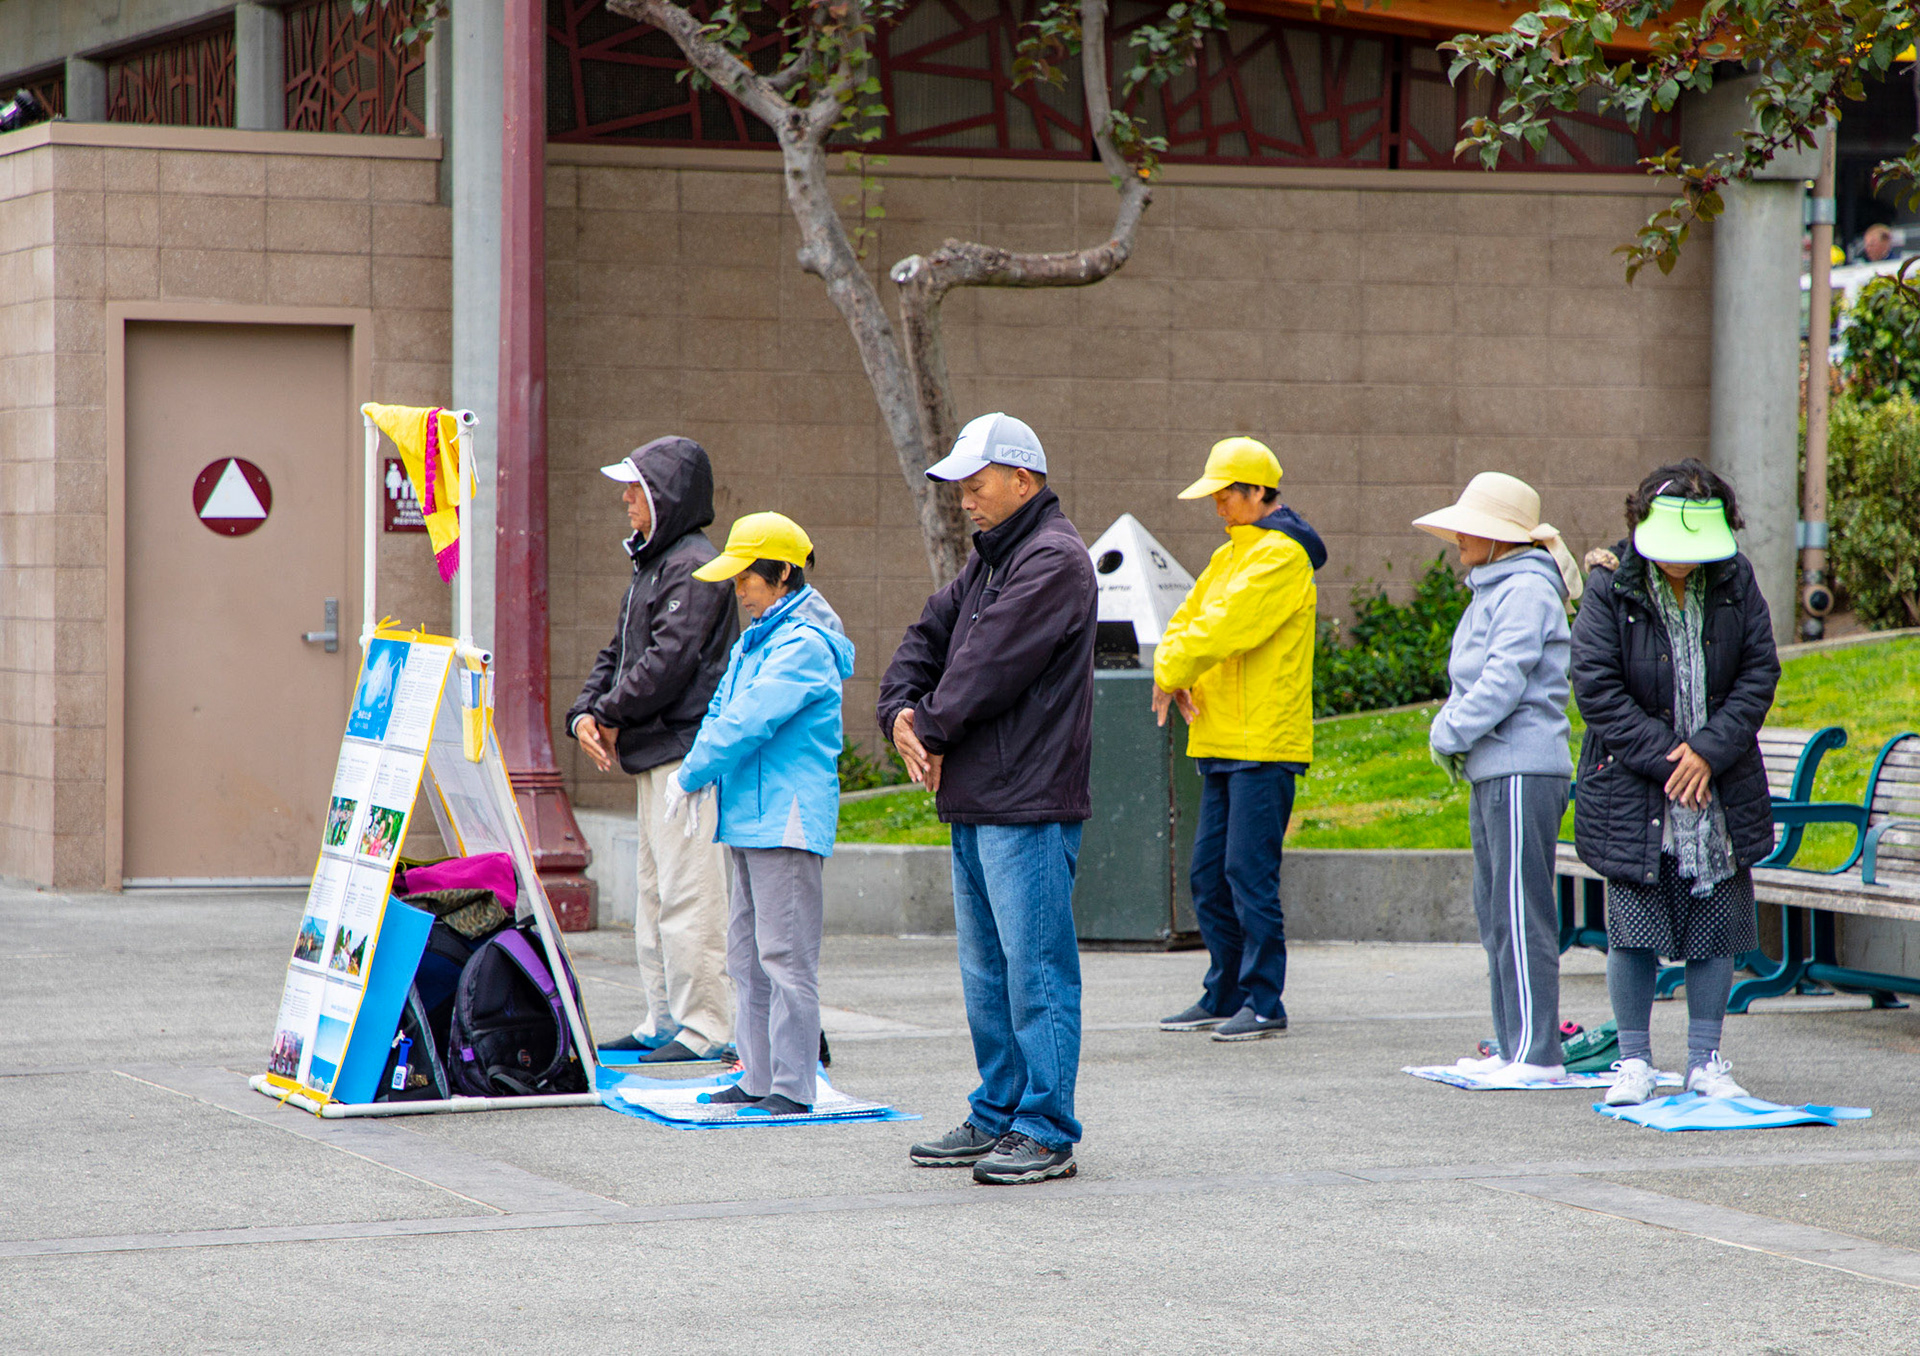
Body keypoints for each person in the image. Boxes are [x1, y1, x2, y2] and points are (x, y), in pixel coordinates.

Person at [879, 411, 1096, 1186]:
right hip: (981, 799)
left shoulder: (1053, 559)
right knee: (988, 977)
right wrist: (899, 713)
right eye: (960, 488)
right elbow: (926, 638)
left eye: (976, 485)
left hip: (1027, 801)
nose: (965, 500)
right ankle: (1001, 1111)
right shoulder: (993, 561)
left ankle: (1045, 1127)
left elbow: (985, 665)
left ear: (1022, 480)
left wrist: (927, 726)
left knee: (1034, 974)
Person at [1571, 460, 1780, 1105]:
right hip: (1635, 786)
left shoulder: (1736, 579)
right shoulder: (1611, 585)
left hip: (1719, 788)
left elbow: (1759, 673)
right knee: (1633, 926)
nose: (1682, 562)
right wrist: (1672, 759)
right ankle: (1634, 1061)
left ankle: (1705, 1061)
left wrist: (1708, 753)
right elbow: (1596, 688)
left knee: (1715, 925)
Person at [664, 513, 854, 1116]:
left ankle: (792, 1087)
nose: (739, 588)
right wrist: (698, 767)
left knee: (785, 957)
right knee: (746, 956)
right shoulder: (759, 638)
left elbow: (749, 720)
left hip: (787, 818)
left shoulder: (803, 645)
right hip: (752, 814)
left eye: (748, 576)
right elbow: (722, 711)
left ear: (784, 574)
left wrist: (692, 772)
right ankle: (757, 1075)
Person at [566, 437, 740, 1065]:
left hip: (685, 756)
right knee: (655, 895)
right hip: (656, 752)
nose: (626, 500)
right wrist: (584, 714)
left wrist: (607, 714)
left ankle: (705, 1028)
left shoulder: (694, 565)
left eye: (636, 489)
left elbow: (669, 661)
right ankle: (664, 1020)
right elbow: (617, 651)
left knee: (690, 895)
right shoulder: (655, 564)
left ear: (667, 495)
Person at [1151, 437, 1324, 1042]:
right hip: (1222, 736)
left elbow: (1224, 627)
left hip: (1265, 741)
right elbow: (1186, 618)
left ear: (1257, 492)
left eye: (1225, 494)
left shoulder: (1282, 557)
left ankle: (1264, 1001)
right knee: (1209, 875)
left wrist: (1170, 670)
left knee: (1249, 875)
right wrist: (1172, 667)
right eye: (1215, 496)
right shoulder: (1230, 555)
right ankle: (1226, 992)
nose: (1218, 506)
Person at [1413, 472, 1583, 1080]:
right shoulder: (1497, 586)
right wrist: (1455, 731)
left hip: (1521, 766)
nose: (1459, 536)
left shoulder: (1526, 588)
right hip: (1497, 768)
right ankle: (1515, 1048)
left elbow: (1503, 680)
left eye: (1472, 527)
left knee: (1519, 913)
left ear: (1502, 537)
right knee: (1496, 915)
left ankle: (1538, 1054)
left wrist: (1447, 731)